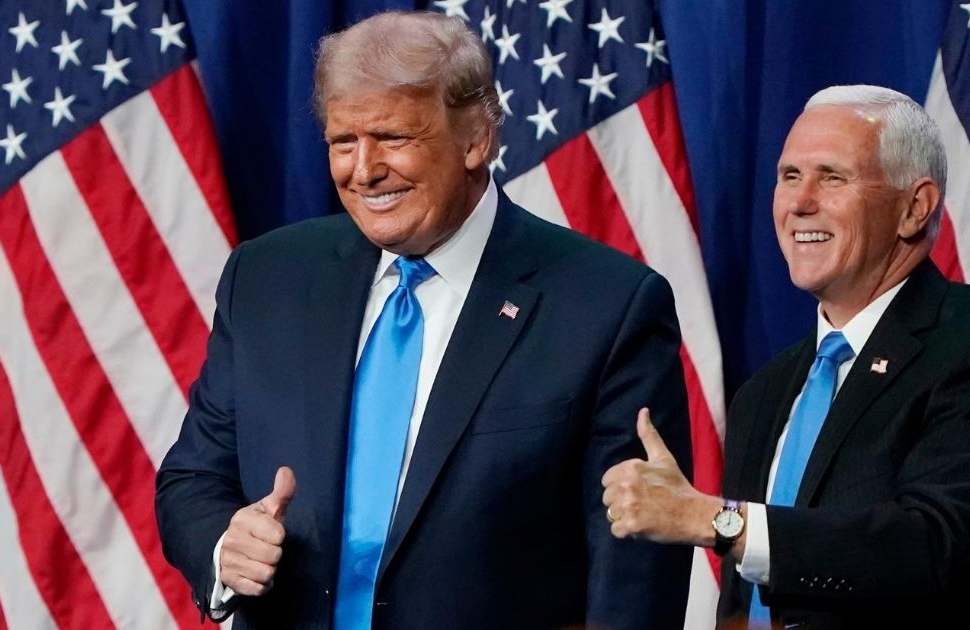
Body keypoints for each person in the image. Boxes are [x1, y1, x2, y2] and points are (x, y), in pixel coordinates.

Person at [155, 11, 693, 629]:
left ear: (475, 141)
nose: (363, 170)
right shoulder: (267, 279)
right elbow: (194, 478)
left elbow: (634, 567)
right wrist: (227, 548)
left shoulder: (606, 306)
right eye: (342, 142)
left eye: (392, 138)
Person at [601, 85, 970, 629]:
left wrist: (715, 520)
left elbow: (938, 548)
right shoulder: (765, 394)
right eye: (789, 176)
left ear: (913, 208)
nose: (800, 202)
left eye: (832, 177)